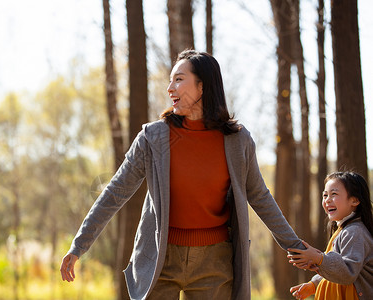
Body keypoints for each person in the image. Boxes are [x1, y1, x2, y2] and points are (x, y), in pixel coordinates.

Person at [60, 49, 304, 300]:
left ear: (202, 86)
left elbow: (260, 197)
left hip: (214, 262)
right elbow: (115, 191)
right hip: (159, 258)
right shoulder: (153, 137)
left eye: (179, 79)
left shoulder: (237, 140)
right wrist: (79, 245)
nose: (170, 88)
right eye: (170, 80)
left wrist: (294, 245)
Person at [287, 171, 373, 300]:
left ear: (354, 200)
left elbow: (347, 272)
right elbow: (336, 267)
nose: (327, 200)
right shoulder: (343, 230)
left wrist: (319, 258)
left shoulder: (355, 232)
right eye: (325, 195)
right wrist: (314, 284)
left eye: (334, 194)